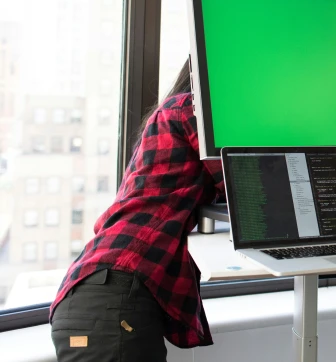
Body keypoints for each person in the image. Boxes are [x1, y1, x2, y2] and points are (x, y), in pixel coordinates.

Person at [50, 60, 223, 361]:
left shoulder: (169, 117)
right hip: (112, 299)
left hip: (97, 295)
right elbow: (243, 187)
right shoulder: (192, 108)